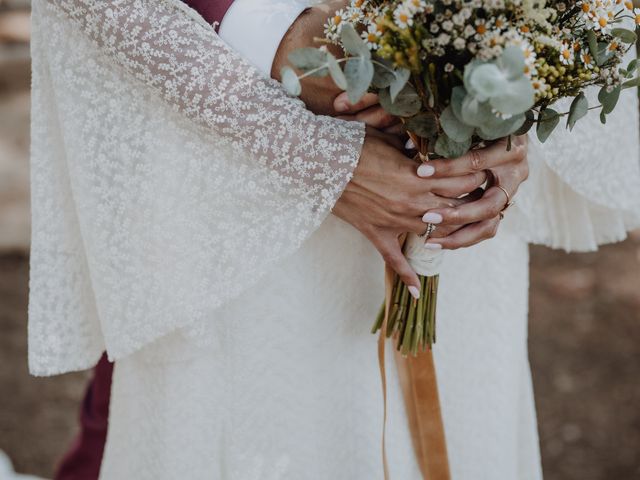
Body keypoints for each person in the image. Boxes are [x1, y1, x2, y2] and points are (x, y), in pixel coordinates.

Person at [31, 1, 640, 479]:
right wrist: (313, 152)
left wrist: (505, 104)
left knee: (462, 411)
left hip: (448, 154)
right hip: (217, 149)